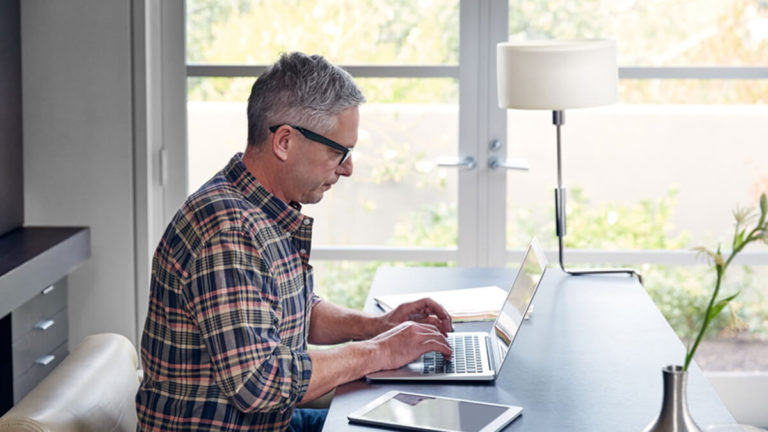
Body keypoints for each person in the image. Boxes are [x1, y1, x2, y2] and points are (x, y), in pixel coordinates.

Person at [135, 52, 453, 432]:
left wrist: (378, 324)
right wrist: (381, 351)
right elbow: (261, 382)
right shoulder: (227, 230)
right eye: (338, 151)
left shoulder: (261, 207)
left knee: (411, 422)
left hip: (273, 424)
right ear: (284, 141)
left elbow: (294, 311)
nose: (348, 168)